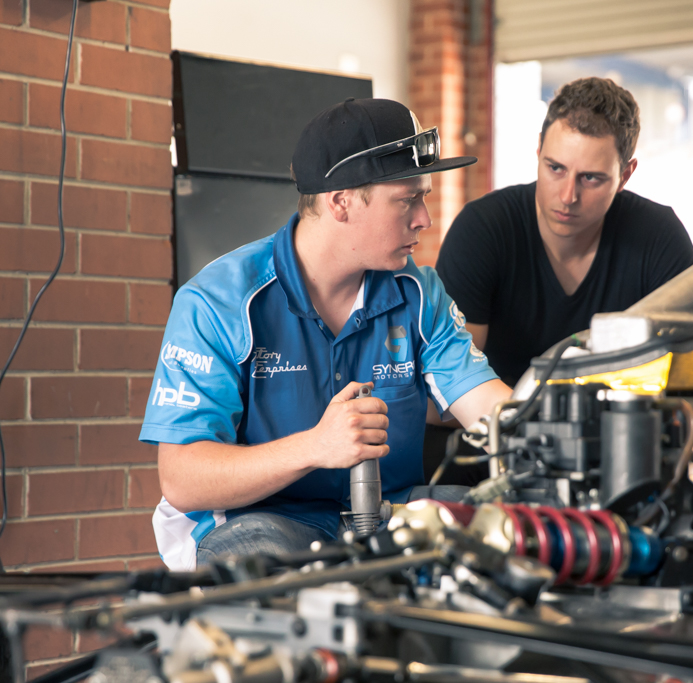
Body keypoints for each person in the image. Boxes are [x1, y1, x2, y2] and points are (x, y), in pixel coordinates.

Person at [140, 98, 511, 571]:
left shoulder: (420, 293)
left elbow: (491, 410)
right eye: (407, 200)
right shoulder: (217, 301)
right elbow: (183, 479)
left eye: (424, 198)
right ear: (341, 202)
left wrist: (554, 423)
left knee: (515, 525)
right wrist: (316, 446)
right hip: (262, 521)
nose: (424, 219)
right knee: (267, 562)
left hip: (389, 514)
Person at [435, 77, 693, 389]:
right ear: (538, 151)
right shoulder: (482, 230)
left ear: (625, 175)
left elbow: (690, 375)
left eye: (591, 178)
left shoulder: (659, 239)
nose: (568, 196)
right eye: (555, 168)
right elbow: (451, 382)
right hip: (495, 418)